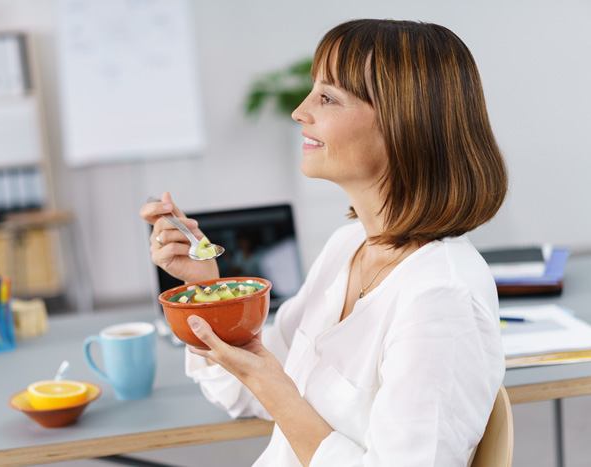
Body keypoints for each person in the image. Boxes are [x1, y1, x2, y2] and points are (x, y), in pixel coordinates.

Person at [140, 19, 507, 467]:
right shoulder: (348, 247)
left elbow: (272, 388)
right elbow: (241, 389)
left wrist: (280, 393)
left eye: (328, 97)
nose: (299, 111)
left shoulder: (442, 298)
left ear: (403, 123)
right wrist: (208, 291)